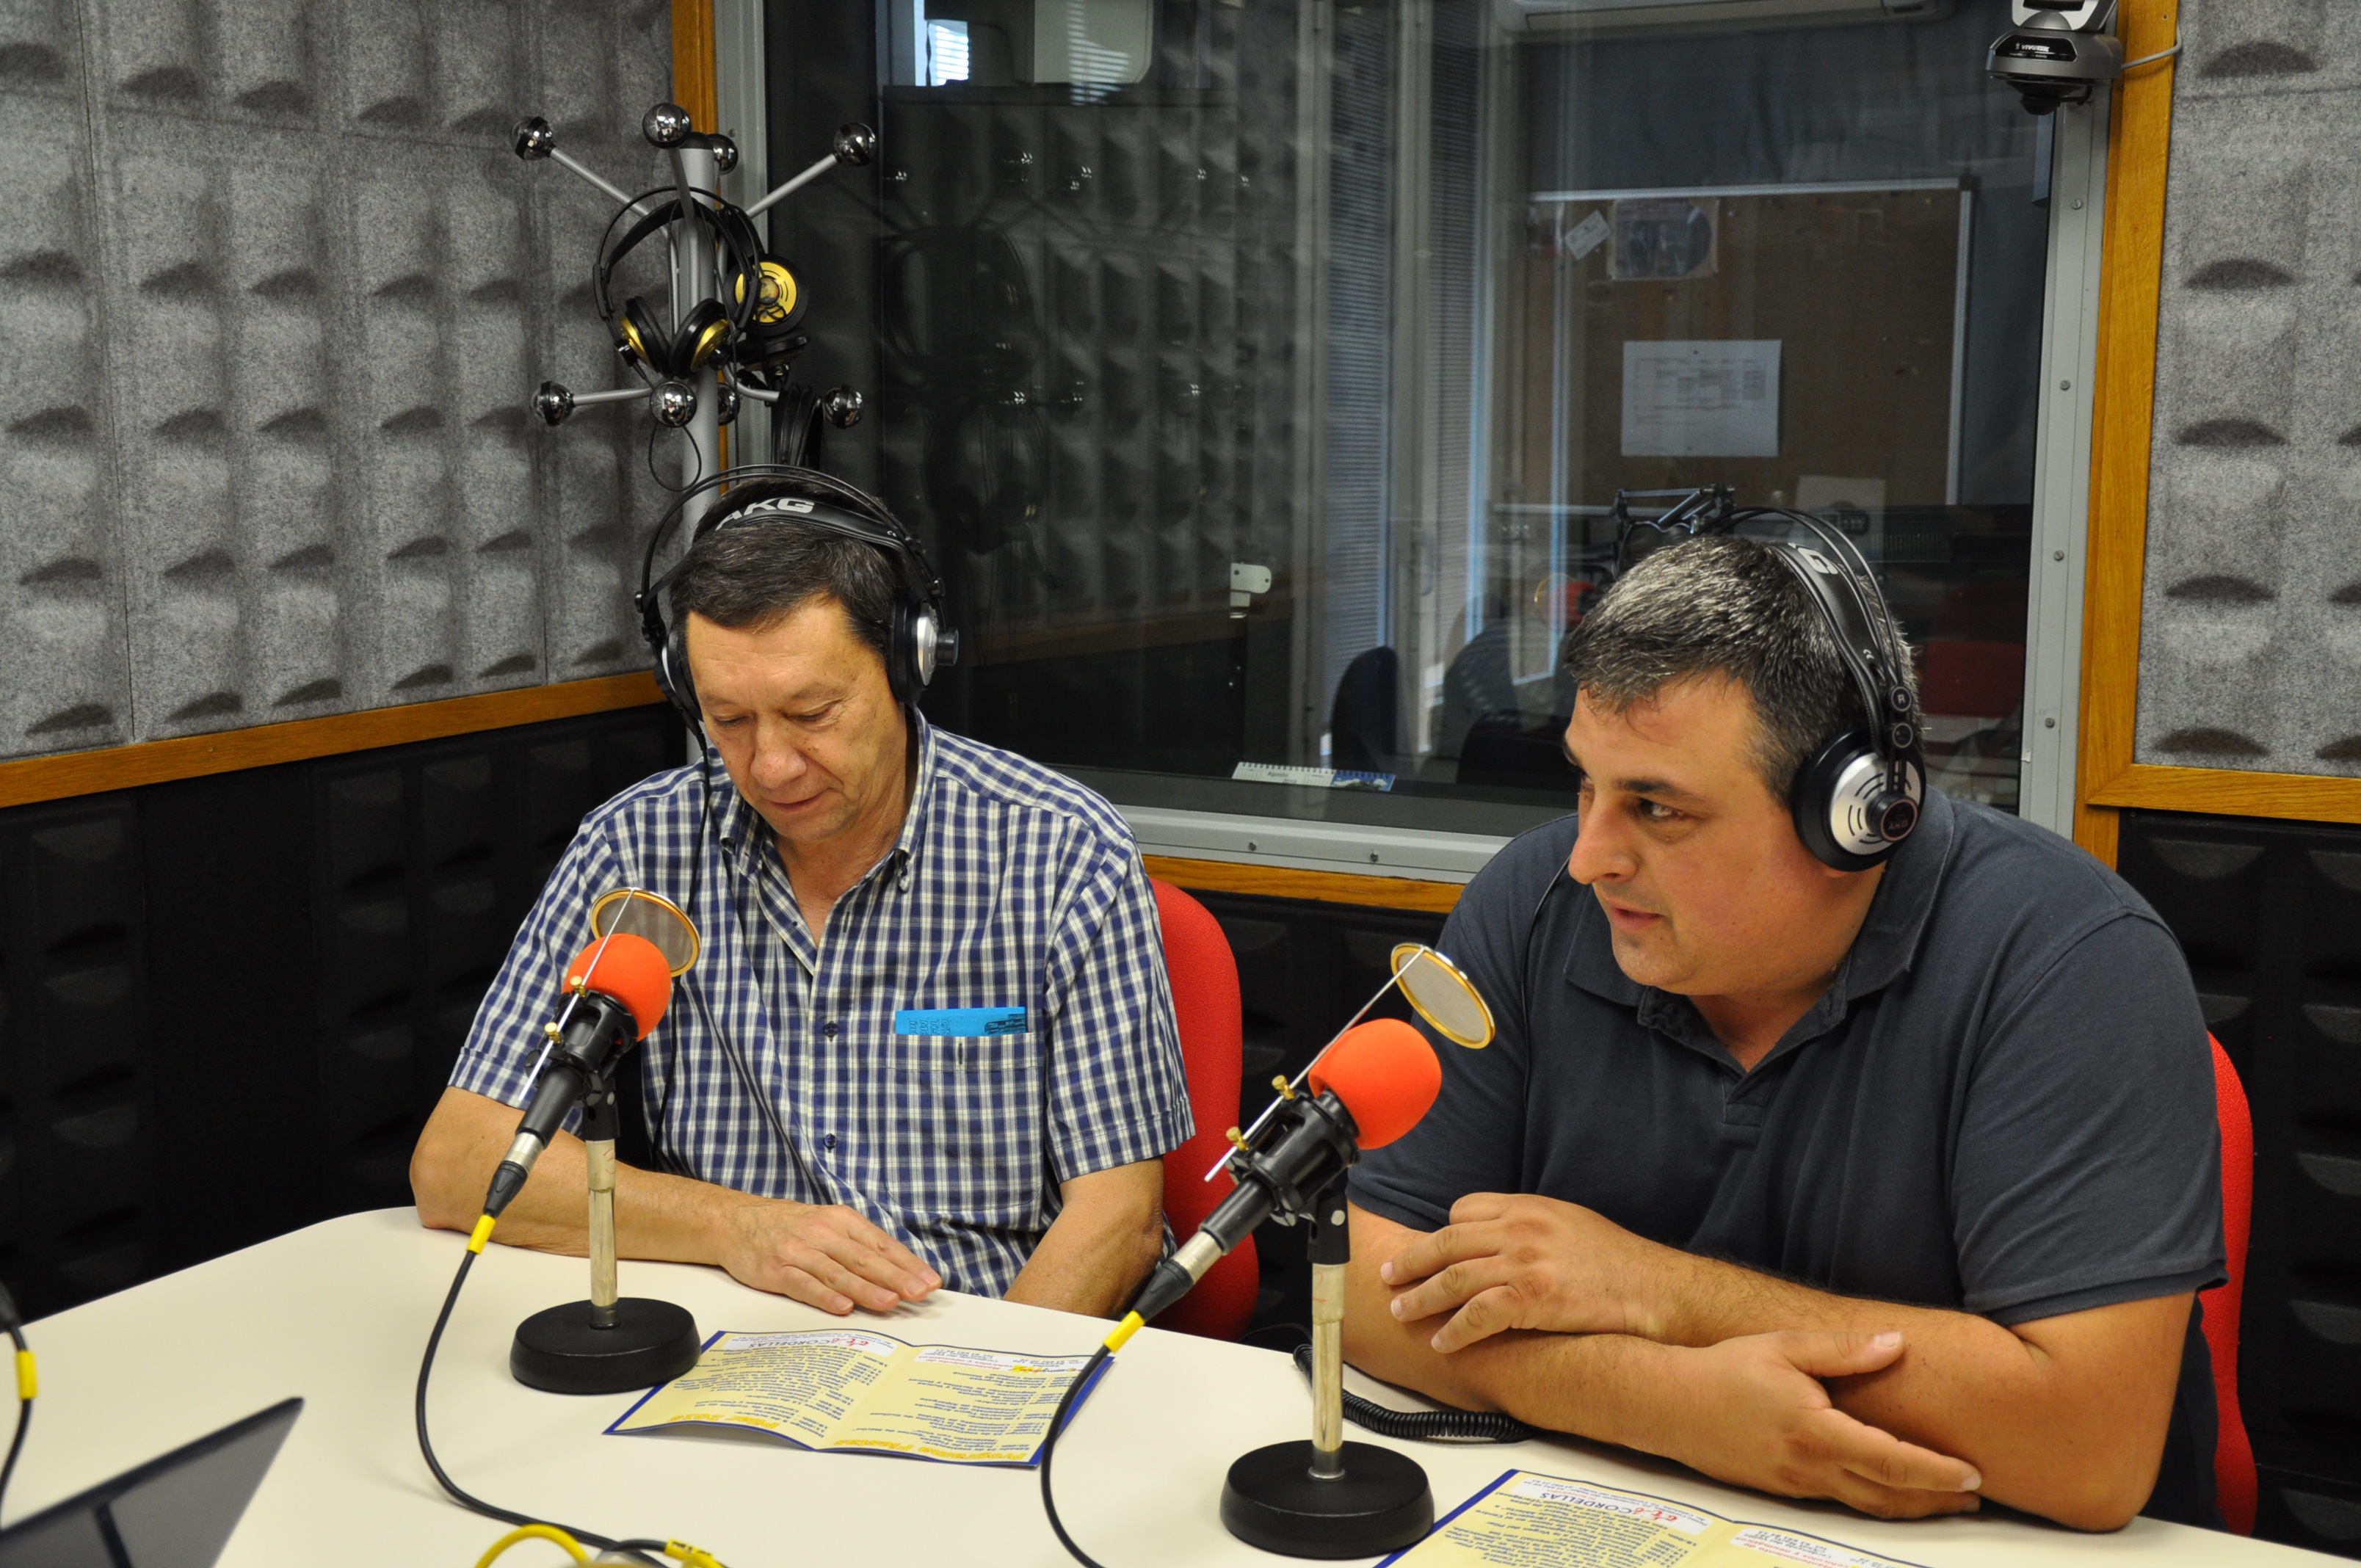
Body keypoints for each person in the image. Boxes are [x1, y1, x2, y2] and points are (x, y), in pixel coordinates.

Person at [1343, 536, 2225, 1531]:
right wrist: (1665, 1405)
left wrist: (1657, 1291)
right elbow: (1368, 1288)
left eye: (1656, 807)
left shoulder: (2073, 959)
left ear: (1855, 815)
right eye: (1586, 783)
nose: (1590, 857)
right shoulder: (1534, 902)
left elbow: (2089, 1449)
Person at [410, 477, 1194, 1319]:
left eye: (812, 713)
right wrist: (735, 1226)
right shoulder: (637, 849)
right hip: (726, 1342)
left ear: (907, 665)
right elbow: (459, 1162)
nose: (772, 766)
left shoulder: (1063, 853)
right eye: (730, 721)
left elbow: (1119, 1222)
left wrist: (975, 1379)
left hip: (980, 1334)